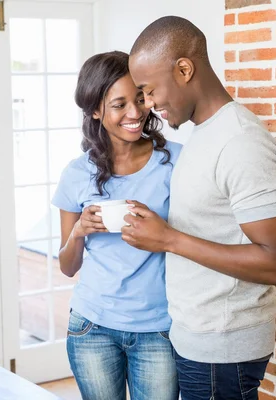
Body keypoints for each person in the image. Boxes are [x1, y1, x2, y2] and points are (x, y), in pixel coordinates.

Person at [121, 16, 276, 400]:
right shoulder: (204, 133)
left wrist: (168, 239)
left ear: (184, 69)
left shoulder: (241, 143)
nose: (149, 105)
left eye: (149, 91)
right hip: (201, 338)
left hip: (223, 345)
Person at [52, 50, 181, 400]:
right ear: (95, 110)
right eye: (119, 104)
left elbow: (195, 241)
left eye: (140, 99)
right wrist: (79, 230)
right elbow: (67, 267)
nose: (135, 113)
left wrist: (162, 233)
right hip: (92, 327)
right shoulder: (77, 174)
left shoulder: (176, 163)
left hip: (160, 329)